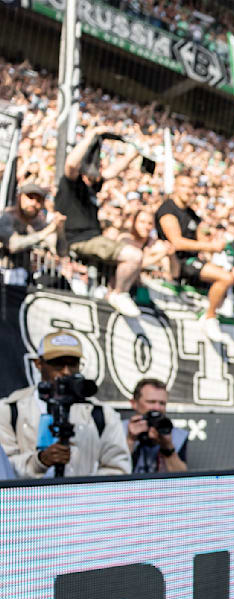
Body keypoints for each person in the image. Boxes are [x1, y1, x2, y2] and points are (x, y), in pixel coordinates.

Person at [0, 330, 131, 478]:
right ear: (39, 364)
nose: (66, 372)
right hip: (30, 500)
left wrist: (80, 494)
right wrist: (40, 460)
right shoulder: (9, 410)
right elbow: (5, 468)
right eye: (58, 364)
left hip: (83, 500)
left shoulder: (102, 415)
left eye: (72, 364)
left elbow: (118, 469)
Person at [56, 125, 143, 317]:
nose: (101, 168)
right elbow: (71, 164)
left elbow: (111, 172)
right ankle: (118, 293)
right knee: (133, 256)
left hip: (93, 238)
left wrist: (131, 154)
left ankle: (114, 289)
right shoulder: (72, 184)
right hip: (80, 240)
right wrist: (91, 135)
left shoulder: (92, 187)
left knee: (130, 245)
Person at [155, 175, 234, 344]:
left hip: (192, 261)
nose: (188, 191)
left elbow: (201, 241)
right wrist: (211, 247)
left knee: (226, 276)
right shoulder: (168, 210)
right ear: (175, 187)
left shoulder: (192, 214)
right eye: (184, 186)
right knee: (225, 277)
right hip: (176, 261)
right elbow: (177, 242)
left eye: (191, 187)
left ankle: (211, 312)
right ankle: (210, 317)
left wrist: (212, 243)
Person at [0, 184, 64, 285]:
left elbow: (60, 251)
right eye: (30, 198)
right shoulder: (7, 217)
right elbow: (13, 245)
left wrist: (59, 229)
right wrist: (45, 232)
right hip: (5, 275)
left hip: (27, 278)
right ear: (20, 197)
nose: (34, 203)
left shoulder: (38, 222)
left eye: (38, 200)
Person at [122, 378, 189, 474]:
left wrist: (167, 446)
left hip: (162, 488)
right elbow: (111, 473)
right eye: (151, 402)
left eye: (162, 403)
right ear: (134, 403)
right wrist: (130, 440)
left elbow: (182, 480)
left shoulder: (177, 435)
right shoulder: (118, 429)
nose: (157, 408)